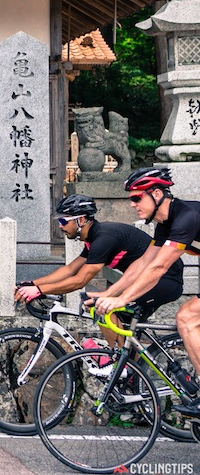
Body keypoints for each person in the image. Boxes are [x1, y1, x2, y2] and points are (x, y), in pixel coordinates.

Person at [91, 167, 200, 418]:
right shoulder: (166, 223)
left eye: (137, 198)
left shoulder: (187, 217)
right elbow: (141, 264)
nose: (132, 204)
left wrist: (123, 299)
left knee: (187, 317)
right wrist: (111, 295)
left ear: (158, 194)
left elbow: (159, 267)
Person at [15, 194, 184, 354]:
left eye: (63, 220)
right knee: (104, 312)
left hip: (164, 281)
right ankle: (129, 370)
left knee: (100, 306)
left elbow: (79, 281)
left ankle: (121, 364)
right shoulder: (94, 238)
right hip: (146, 282)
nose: (60, 225)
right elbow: (70, 269)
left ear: (80, 219)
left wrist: (39, 291)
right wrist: (33, 284)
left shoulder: (104, 238)